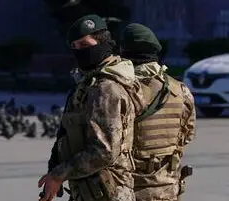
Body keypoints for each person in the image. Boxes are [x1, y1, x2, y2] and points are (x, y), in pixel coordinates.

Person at [38, 14, 145, 201]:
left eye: (85, 45)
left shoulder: (106, 88)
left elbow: (104, 151)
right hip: (93, 190)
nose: (79, 51)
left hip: (109, 193)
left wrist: (60, 173)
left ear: (103, 42)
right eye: (75, 47)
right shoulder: (89, 84)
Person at [119, 23, 196, 201]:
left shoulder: (116, 90)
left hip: (127, 189)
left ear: (123, 51)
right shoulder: (180, 90)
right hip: (167, 189)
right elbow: (187, 135)